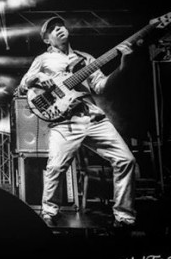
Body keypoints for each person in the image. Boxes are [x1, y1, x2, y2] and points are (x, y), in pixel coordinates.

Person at [18, 16, 137, 227]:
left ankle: (124, 216)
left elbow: (101, 87)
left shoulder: (86, 58)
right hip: (64, 121)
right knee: (55, 167)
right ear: (46, 40)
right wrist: (37, 78)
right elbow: (23, 85)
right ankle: (49, 213)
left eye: (60, 26)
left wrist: (123, 66)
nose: (59, 29)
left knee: (126, 160)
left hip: (93, 117)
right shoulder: (43, 60)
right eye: (53, 29)